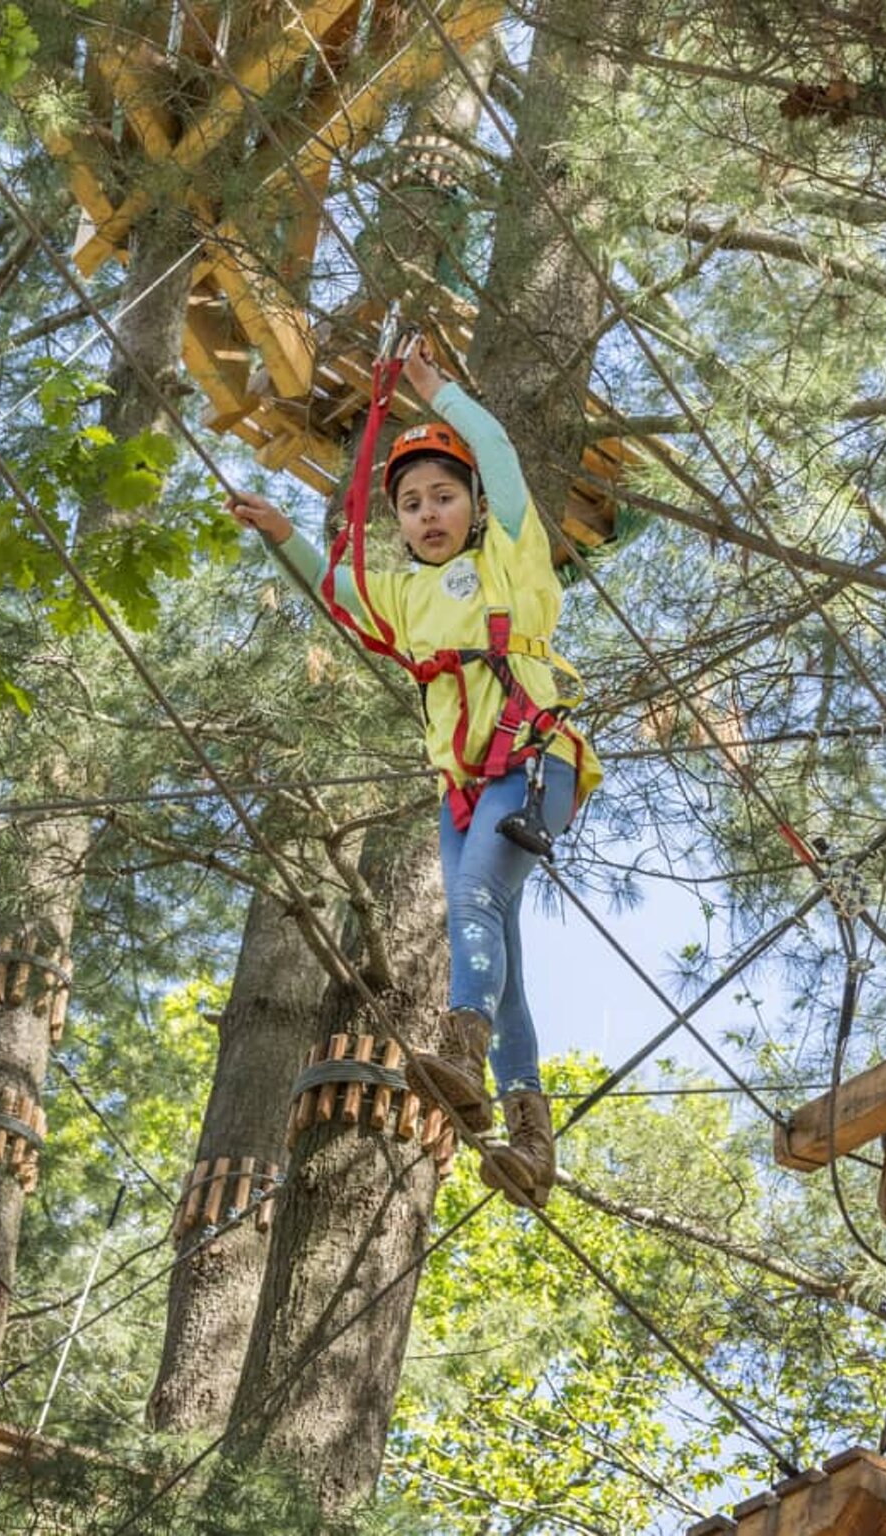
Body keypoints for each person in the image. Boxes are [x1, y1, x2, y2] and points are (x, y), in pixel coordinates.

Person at [227, 340, 602, 1208]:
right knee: (497, 943)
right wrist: (283, 531)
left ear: (475, 510)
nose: (429, 513)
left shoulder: (510, 556)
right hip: (464, 786)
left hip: (534, 758)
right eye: (411, 505)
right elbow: (337, 588)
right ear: (397, 523)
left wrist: (438, 394)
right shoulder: (402, 596)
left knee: (473, 903)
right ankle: (529, 1136)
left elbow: (502, 458)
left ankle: (461, 1049)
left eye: (443, 497)